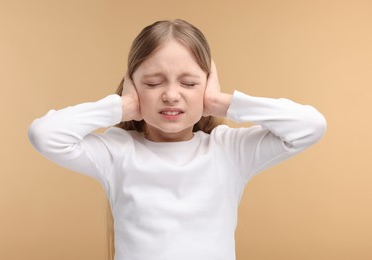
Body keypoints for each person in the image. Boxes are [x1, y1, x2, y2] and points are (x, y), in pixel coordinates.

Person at [28, 19, 327, 260]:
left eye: (189, 83)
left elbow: (309, 126)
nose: (171, 94)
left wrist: (221, 102)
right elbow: (45, 135)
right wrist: (123, 105)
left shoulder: (228, 150)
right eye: (153, 83)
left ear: (207, 86)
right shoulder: (118, 151)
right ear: (134, 87)